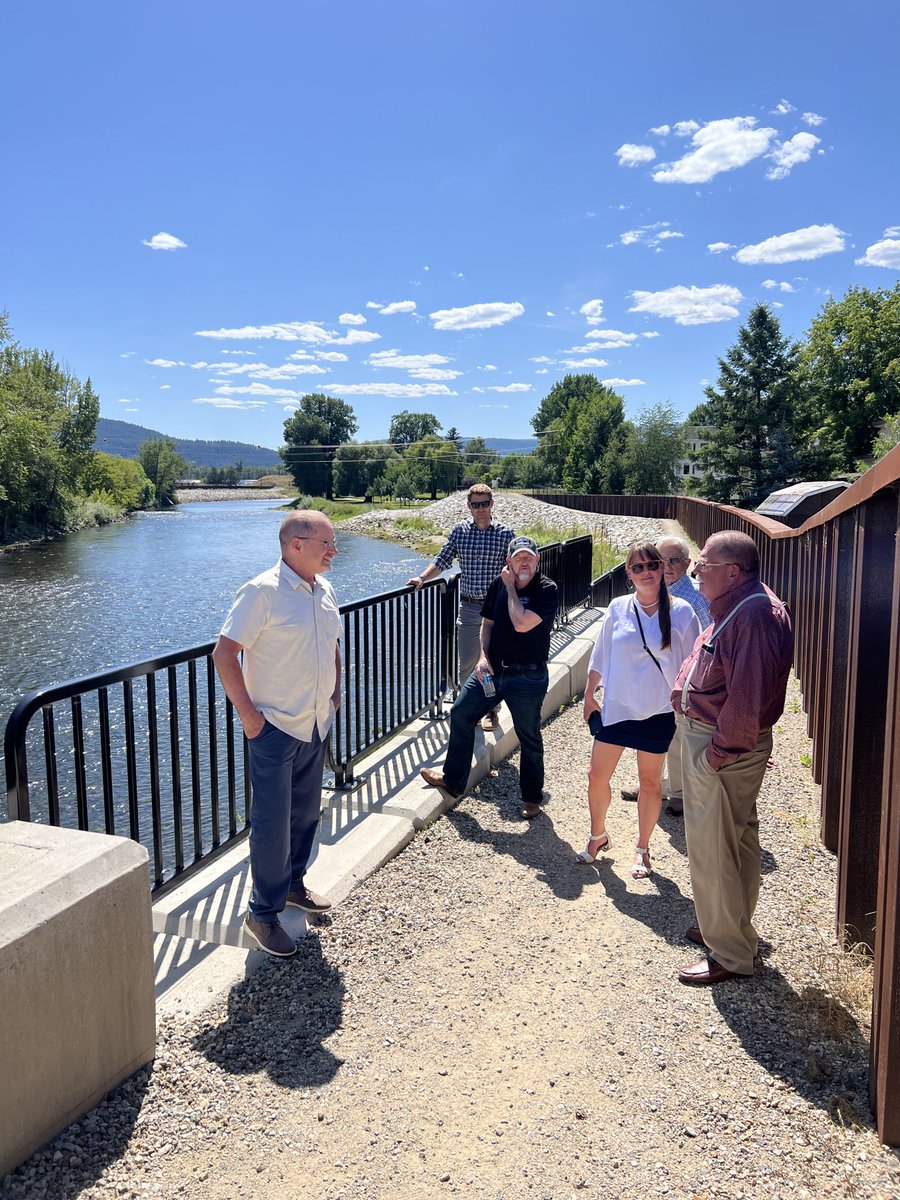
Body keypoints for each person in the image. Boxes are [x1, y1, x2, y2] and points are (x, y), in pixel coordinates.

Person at [212, 511, 342, 958]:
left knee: (305, 815)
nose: (333, 550)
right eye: (326, 542)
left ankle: (293, 886)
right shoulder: (262, 591)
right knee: (271, 826)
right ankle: (261, 915)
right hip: (275, 728)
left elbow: (332, 646)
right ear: (296, 545)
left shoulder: (323, 590)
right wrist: (250, 719)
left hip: (314, 724)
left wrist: (335, 694)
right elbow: (224, 654)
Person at [672, 530, 793, 985]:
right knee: (736, 841)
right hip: (721, 746)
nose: (696, 573)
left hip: (720, 749)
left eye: (703, 565)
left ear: (733, 572)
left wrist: (715, 757)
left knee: (714, 849)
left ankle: (729, 953)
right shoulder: (745, 605)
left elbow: (746, 698)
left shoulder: (754, 614)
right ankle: (730, 933)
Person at [579, 543, 701, 879]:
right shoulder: (618, 608)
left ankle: (643, 848)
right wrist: (591, 694)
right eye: (638, 568)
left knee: (649, 784)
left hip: (658, 711)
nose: (646, 572)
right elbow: (600, 654)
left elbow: (694, 664)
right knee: (596, 776)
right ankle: (597, 835)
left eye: (652, 565)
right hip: (617, 707)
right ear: (628, 574)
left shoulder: (682, 612)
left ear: (662, 568)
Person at [419, 536, 558, 818]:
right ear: (509, 561)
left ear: (537, 560)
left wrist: (510, 587)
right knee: (460, 712)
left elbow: (521, 623)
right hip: (493, 671)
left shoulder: (547, 588)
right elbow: (488, 623)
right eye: (518, 557)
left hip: (527, 676)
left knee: (528, 735)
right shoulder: (498, 584)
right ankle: (454, 780)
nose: (524, 562)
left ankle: (532, 797)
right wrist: (483, 656)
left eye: (529, 557)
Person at [407, 484, 514, 730]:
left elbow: (515, 566)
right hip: (469, 607)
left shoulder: (505, 533)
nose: (480, 509)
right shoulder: (460, 531)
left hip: (497, 611)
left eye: (484, 503)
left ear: (491, 504)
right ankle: (472, 709)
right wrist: (422, 578)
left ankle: (491, 710)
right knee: (466, 664)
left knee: (492, 663)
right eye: (475, 504)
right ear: (469, 506)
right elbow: (442, 559)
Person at [621, 535, 711, 815]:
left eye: (674, 561)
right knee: (651, 736)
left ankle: (678, 792)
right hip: (652, 682)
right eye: (662, 561)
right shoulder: (654, 592)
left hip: (680, 683)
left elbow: (705, 645)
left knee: (676, 739)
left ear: (687, 563)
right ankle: (653, 784)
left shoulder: (694, 600)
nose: (667, 566)